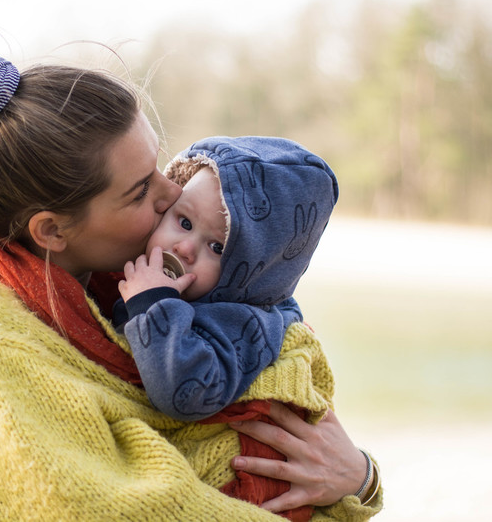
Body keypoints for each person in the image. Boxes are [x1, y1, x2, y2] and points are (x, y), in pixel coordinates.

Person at [0, 27, 383, 521]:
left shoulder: (120, 291)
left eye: (161, 167)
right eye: (139, 191)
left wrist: (359, 476)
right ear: (51, 231)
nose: (173, 194)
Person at [114, 137, 376, 520]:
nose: (185, 248)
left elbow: (187, 393)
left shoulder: (243, 320)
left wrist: (150, 306)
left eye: (218, 248)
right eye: (182, 222)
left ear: (256, 272)